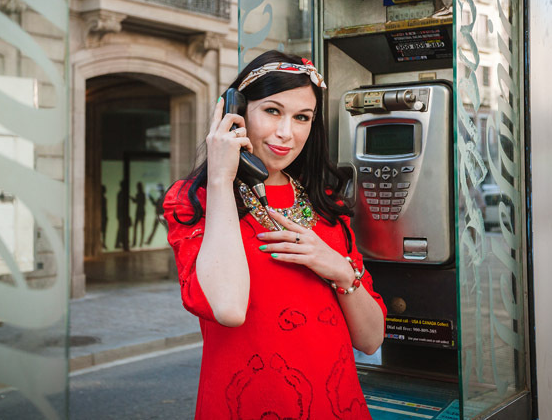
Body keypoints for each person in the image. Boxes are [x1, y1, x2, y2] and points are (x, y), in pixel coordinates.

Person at [164, 50, 387, 419]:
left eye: (302, 117)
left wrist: (340, 270)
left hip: (335, 405)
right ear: (236, 113)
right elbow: (228, 309)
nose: (287, 132)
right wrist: (221, 178)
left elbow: (371, 339)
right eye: (272, 111)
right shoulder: (195, 202)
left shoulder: (326, 204)